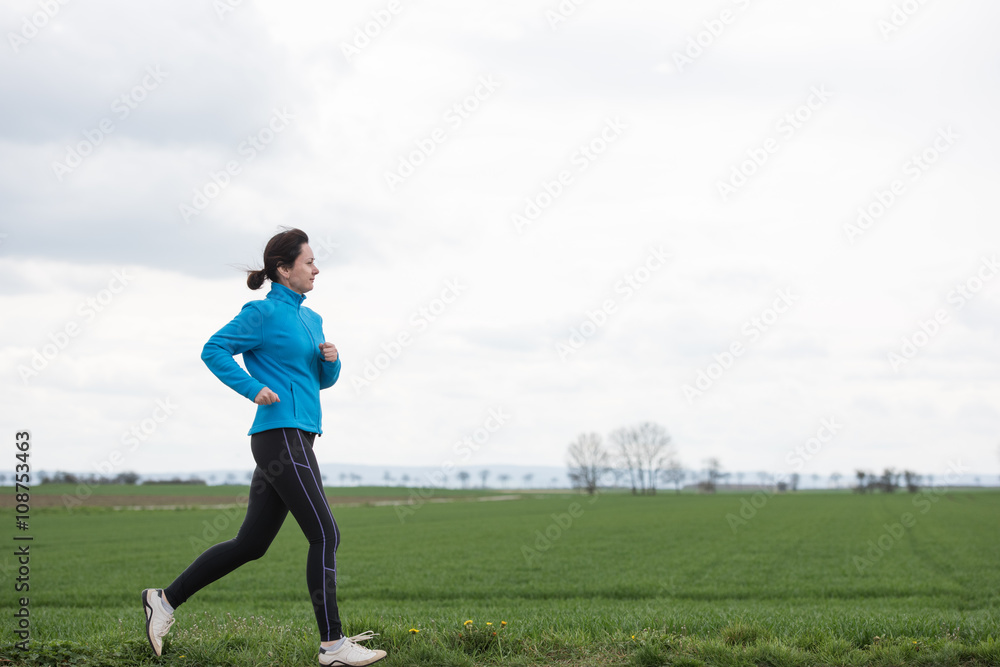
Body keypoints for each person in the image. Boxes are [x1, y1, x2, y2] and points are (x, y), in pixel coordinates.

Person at [141, 228, 386, 667]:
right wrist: (252, 388)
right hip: (279, 435)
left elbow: (319, 382)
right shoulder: (260, 313)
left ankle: (164, 599)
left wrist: (332, 361)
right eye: (308, 262)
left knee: (251, 543)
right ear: (283, 269)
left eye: (314, 262)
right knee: (325, 533)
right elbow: (213, 349)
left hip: (299, 434)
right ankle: (333, 646)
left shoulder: (312, 320)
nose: (316, 268)